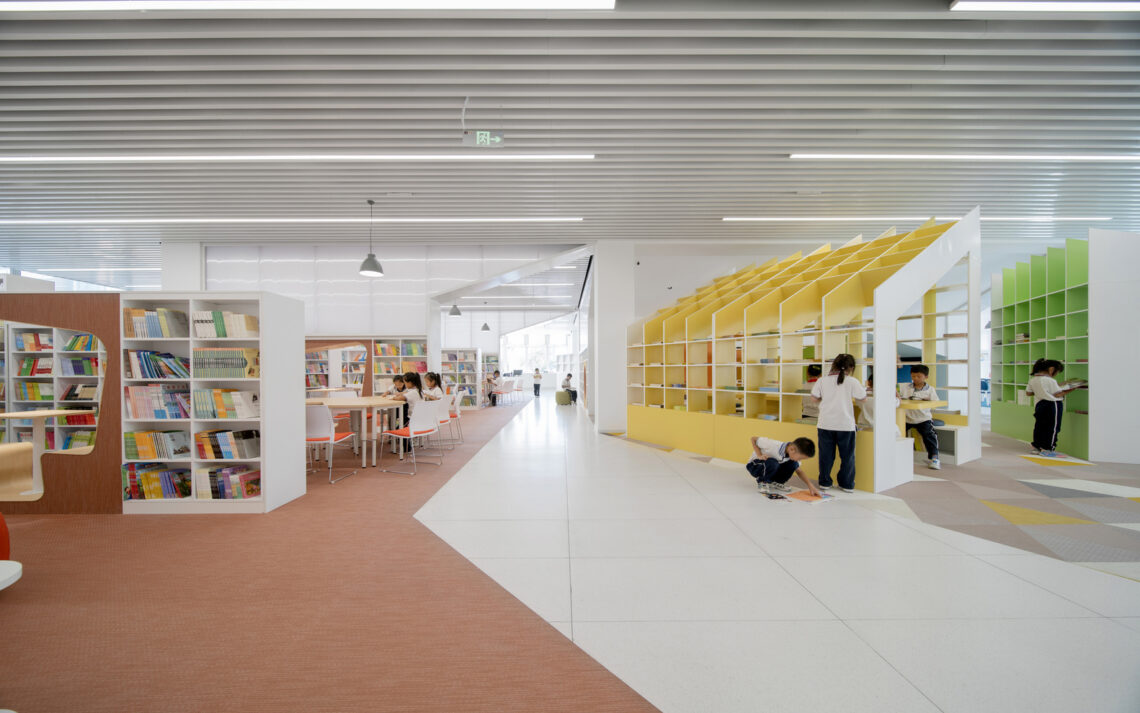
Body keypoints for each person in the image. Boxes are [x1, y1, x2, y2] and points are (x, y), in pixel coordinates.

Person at [810, 353, 866, 493]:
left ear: (833, 365)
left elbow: (814, 399)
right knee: (847, 457)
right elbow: (863, 398)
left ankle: (825, 483)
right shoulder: (853, 381)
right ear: (851, 367)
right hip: (845, 425)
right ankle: (846, 484)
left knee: (826, 456)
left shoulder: (822, 380)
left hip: (825, 424)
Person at [1026, 358, 1082, 456]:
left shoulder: (1033, 380)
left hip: (1040, 404)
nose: (1056, 374)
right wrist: (1073, 388)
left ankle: (1037, 447)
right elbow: (1058, 394)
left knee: (1039, 426)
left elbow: (1028, 393)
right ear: (1051, 369)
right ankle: (1048, 449)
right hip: (1053, 405)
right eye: (1057, 372)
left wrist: (1042, 391)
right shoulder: (1050, 380)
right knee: (1053, 427)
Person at [746, 435, 820, 496]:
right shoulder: (772, 445)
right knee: (773, 463)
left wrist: (810, 486)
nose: (799, 460)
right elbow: (753, 439)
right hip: (755, 465)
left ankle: (775, 482)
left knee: (794, 464)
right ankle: (762, 482)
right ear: (792, 449)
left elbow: (799, 471)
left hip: (771, 466)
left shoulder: (791, 455)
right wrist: (759, 455)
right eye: (800, 458)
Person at [899, 364, 940, 470]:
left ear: (926, 377)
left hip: (923, 419)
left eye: (918, 376)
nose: (915, 379)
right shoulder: (906, 387)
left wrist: (928, 401)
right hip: (907, 418)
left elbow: (935, 403)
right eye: (913, 376)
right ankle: (896, 455)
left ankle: (934, 458)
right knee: (896, 433)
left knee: (929, 436)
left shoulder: (930, 390)